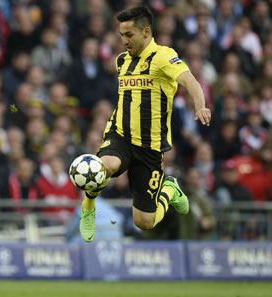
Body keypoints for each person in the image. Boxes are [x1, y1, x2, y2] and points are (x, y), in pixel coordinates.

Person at [79, 6, 211, 242]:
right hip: (119, 134)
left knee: (144, 222)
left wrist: (200, 106)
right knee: (105, 165)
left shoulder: (164, 57)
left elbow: (190, 80)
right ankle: (88, 208)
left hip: (150, 147)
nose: (124, 41)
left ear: (146, 32)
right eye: (121, 35)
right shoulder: (122, 61)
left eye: (129, 35)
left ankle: (169, 189)